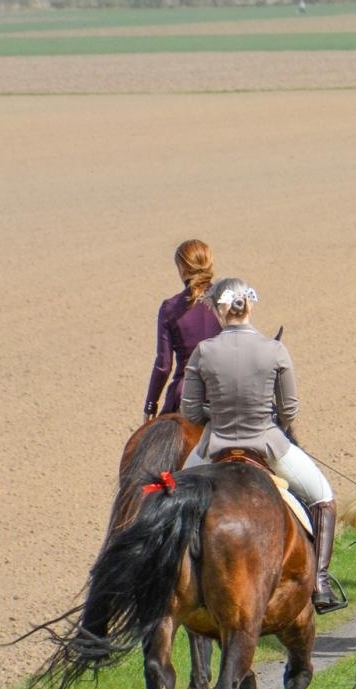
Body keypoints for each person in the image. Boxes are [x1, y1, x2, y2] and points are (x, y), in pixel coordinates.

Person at [181, 278, 341, 613]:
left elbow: (191, 412)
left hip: (215, 448)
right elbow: (290, 409)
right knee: (323, 498)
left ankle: (174, 581)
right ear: (249, 306)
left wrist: (221, 411)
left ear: (219, 310)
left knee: (172, 502)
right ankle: (320, 582)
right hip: (267, 446)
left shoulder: (204, 352)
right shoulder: (274, 350)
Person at [144, 238, 221, 418]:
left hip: (185, 393)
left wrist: (150, 405)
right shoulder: (229, 300)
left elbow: (163, 366)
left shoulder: (169, 307)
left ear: (181, 269)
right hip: (225, 390)